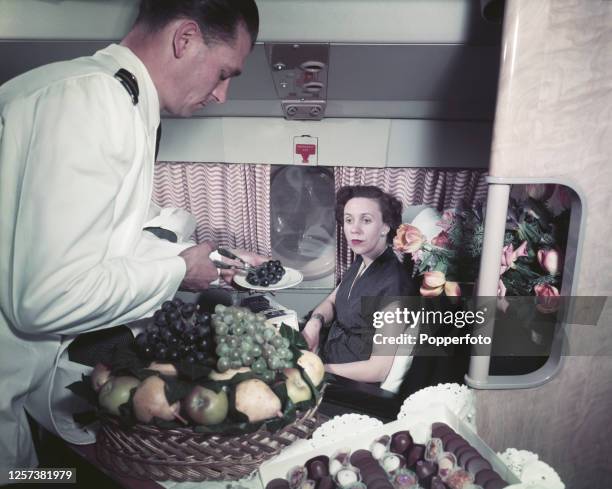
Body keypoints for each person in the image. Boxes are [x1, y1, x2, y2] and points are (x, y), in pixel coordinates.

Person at [0, 0, 260, 472]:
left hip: (15, 389)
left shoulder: (113, 100)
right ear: (185, 40)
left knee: (38, 475)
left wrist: (188, 255)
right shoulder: (91, 104)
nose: (222, 95)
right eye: (225, 73)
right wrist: (180, 270)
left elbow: (107, 233)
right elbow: (45, 299)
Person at [301, 186, 418, 385]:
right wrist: (316, 322)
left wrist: (318, 368)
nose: (354, 228)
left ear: (385, 226)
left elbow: (377, 370)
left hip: (347, 382)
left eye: (366, 220)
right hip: (327, 357)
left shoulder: (394, 287)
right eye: (349, 220)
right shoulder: (362, 261)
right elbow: (332, 300)